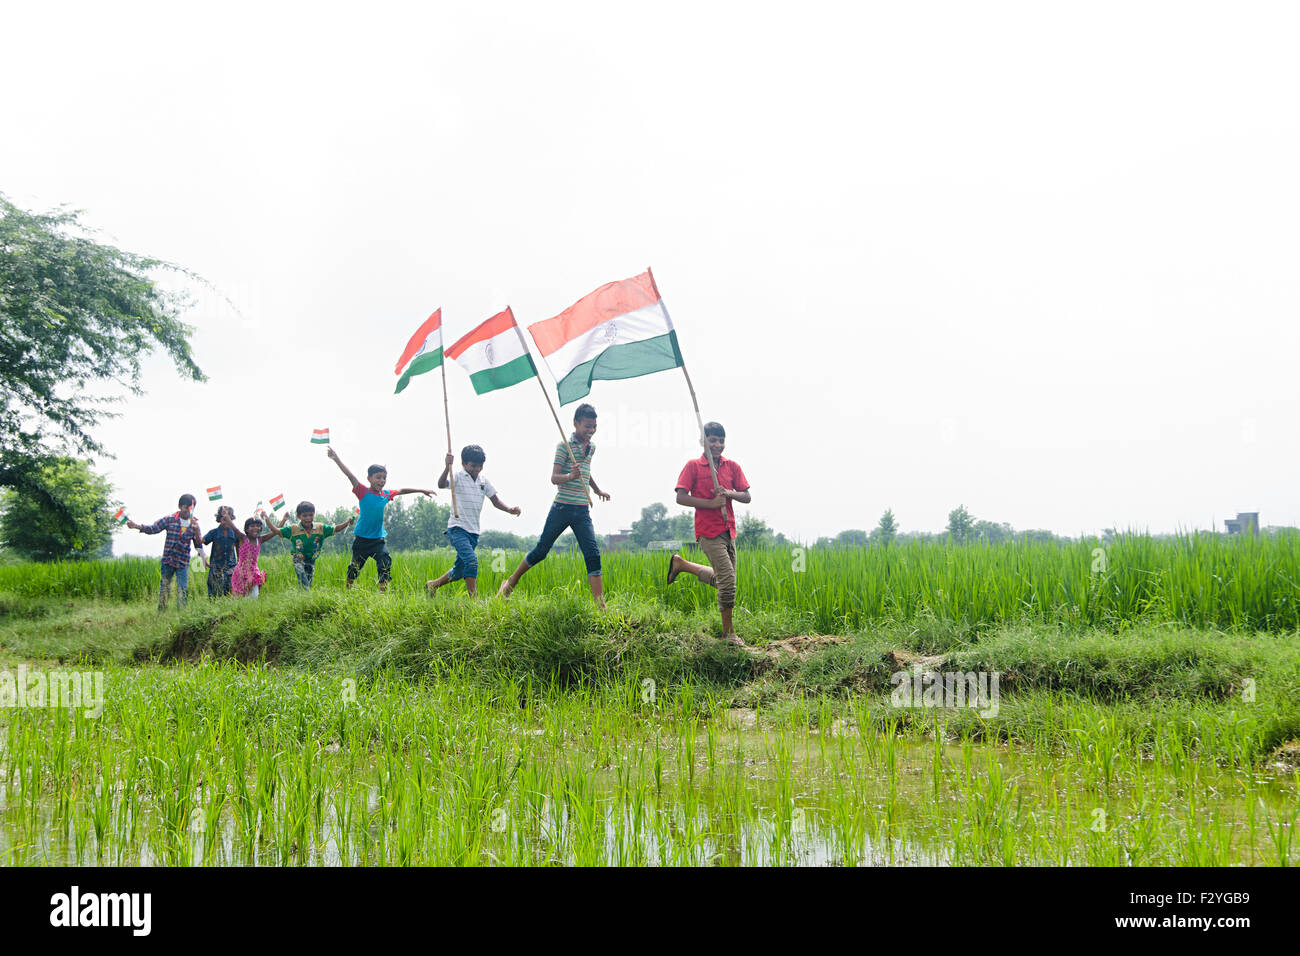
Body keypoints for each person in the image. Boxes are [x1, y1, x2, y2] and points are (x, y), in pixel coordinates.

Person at [497, 403, 610, 608]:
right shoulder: (563, 447)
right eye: (587, 426)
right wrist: (570, 476)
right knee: (541, 551)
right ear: (575, 423)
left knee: (592, 553)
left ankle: (600, 605)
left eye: (594, 427)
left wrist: (597, 489)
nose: (591, 431)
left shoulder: (591, 447)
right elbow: (554, 478)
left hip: (582, 510)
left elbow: (585, 471)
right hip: (562, 508)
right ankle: (509, 584)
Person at [666, 422, 752, 645]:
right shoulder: (693, 466)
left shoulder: (731, 466)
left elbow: (746, 495)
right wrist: (711, 503)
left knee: (725, 580)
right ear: (702, 441)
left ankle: (682, 565)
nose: (717, 445)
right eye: (712, 440)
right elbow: (681, 497)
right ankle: (728, 634)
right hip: (708, 532)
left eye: (721, 440)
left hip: (728, 529)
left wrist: (729, 493)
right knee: (728, 583)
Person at [326, 446, 435, 592]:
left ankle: (383, 593)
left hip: (378, 539)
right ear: (369, 478)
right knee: (355, 567)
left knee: (385, 562)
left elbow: (402, 491)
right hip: (362, 539)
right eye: (378, 477)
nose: (382, 480)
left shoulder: (386, 494)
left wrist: (422, 490)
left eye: (384, 478)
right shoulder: (362, 491)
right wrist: (336, 458)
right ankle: (347, 589)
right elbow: (350, 476)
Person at [426, 445, 521, 597]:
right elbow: (441, 484)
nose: (477, 469)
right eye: (473, 465)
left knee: (459, 570)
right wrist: (446, 466)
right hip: (457, 529)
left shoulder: (484, 481)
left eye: (480, 466)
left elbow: (495, 501)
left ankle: (433, 585)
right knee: (471, 561)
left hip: (474, 532)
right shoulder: (457, 476)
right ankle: (474, 600)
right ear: (464, 464)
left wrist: (509, 509)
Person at [126, 494, 208, 611]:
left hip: (183, 562)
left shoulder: (194, 524)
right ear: (180, 506)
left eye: (191, 509)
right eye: (186, 508)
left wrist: (203, 558)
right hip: (168, 560)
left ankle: (182, 613)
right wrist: (136, 526)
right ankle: (161, 612)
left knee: (182, 589)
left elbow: (198, 544)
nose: (188, 511)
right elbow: (153, 528)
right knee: (164, 588)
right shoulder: (170, 519)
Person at [271, 500, 354, 589]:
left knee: (308, 582)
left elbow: (336, 528)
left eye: (311, 515)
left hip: (311, 559)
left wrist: (347, 523)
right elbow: (276, 531)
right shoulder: (293, 529)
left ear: (314, 515)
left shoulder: (320, 528)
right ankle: (306, 592)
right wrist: (268, 519)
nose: (308, 518)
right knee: (303, 579)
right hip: (298, 558)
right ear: (299, 516)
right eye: (305, 515)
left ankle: (304, 598)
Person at [227, 511, 279, 598]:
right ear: (247, 529)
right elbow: (235, 529)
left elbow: (275, 532)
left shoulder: (260, 540)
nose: (255, 528)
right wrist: (227, 517)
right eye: (252, 526)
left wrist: (283, 520)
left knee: (254, 596)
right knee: (241, 596)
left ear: (261, 528)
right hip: (241, 572)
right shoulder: (243, 538)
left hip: (254, 572)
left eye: (258, 526)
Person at [203, 505, 240, 598]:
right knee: (214, 593)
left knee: (230, 592)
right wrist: (203, 558)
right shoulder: (213, 533)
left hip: (231, 567)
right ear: (219, 518)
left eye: (228, 516)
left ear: (231, 518)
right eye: (223, 515)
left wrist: (240, 563)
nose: (225, 518)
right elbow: (200, 542)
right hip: (216, 567)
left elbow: (238, 548)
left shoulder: (235, 534)